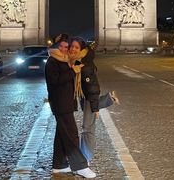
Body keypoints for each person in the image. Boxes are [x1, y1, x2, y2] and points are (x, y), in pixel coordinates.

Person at [45, 35, 96, 178]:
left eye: (66, 47)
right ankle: (80, 166)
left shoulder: (66, 60)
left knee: (61, 135)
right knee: (72, 135)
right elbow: (55, 81)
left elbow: (85, 56)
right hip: (60, 104)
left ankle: (59, 165)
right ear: (55, 47)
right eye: (60, 46)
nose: (63, 49)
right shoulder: (52, 61)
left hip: (65, 103)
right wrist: (73, 71)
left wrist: (86, 52)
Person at [68, 36, 119, 164]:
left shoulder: (85, 65)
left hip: (89, 97)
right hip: (83, 95)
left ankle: (86, 158)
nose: (73, 49)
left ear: (82, 49)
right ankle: (109, 98)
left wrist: (95, 107)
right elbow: (74, 66)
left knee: (87, 128)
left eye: (76, 47)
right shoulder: (79, 60)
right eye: (72, 46)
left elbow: (92, 89)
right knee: (87, 125)